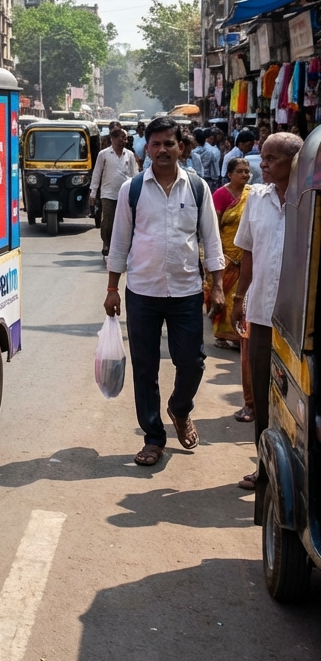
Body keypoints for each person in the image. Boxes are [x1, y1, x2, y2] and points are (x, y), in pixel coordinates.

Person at [105, 116, 225, 467]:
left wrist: (217, 286)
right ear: (147, 148)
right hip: (142, 291)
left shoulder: (198, 188)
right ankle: (154, 437)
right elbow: (119, 242)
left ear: (181, 147)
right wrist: (112, 288)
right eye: (154, 144)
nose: (161, 150)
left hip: (186, 291)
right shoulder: (133, 189)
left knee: (193, 362)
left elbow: (211, 241)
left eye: (168, 144)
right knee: (146, 367)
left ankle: (180, 408)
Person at [230, 132, 304, 491]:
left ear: (294, 162)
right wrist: (238, 298)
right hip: (261, 312)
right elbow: (247, 253)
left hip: (298, 321)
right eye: (264, 156)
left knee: (296, 404)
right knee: (262, 393)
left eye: (272, 158)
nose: (263, 164)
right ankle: (264, 466)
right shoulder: (256, 200)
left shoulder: (310, 200)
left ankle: (295, 475)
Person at [203, 157, 253, 369]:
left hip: (247, 254)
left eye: (246, 171)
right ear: (230, 174)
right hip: (226, 254)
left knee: (243, 296)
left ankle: (239, 333)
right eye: (240, 171)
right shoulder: (220, 195)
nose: (244, 175)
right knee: (225, 295)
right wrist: (218, 256)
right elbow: (213, 227)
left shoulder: (253, 195)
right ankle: (224, 334)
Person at [90, 125, 138, 260]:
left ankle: (122, 247)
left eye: (126, 138)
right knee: (109, 221)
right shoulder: (104, 154)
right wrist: (93, 192)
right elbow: (97, 173)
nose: (125, 140)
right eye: (123, 137)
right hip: (108, 193)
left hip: (126, 194)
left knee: (125, 221)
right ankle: (107, 244)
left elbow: (135, 174)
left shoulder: (129, 155)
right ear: (113, 139)